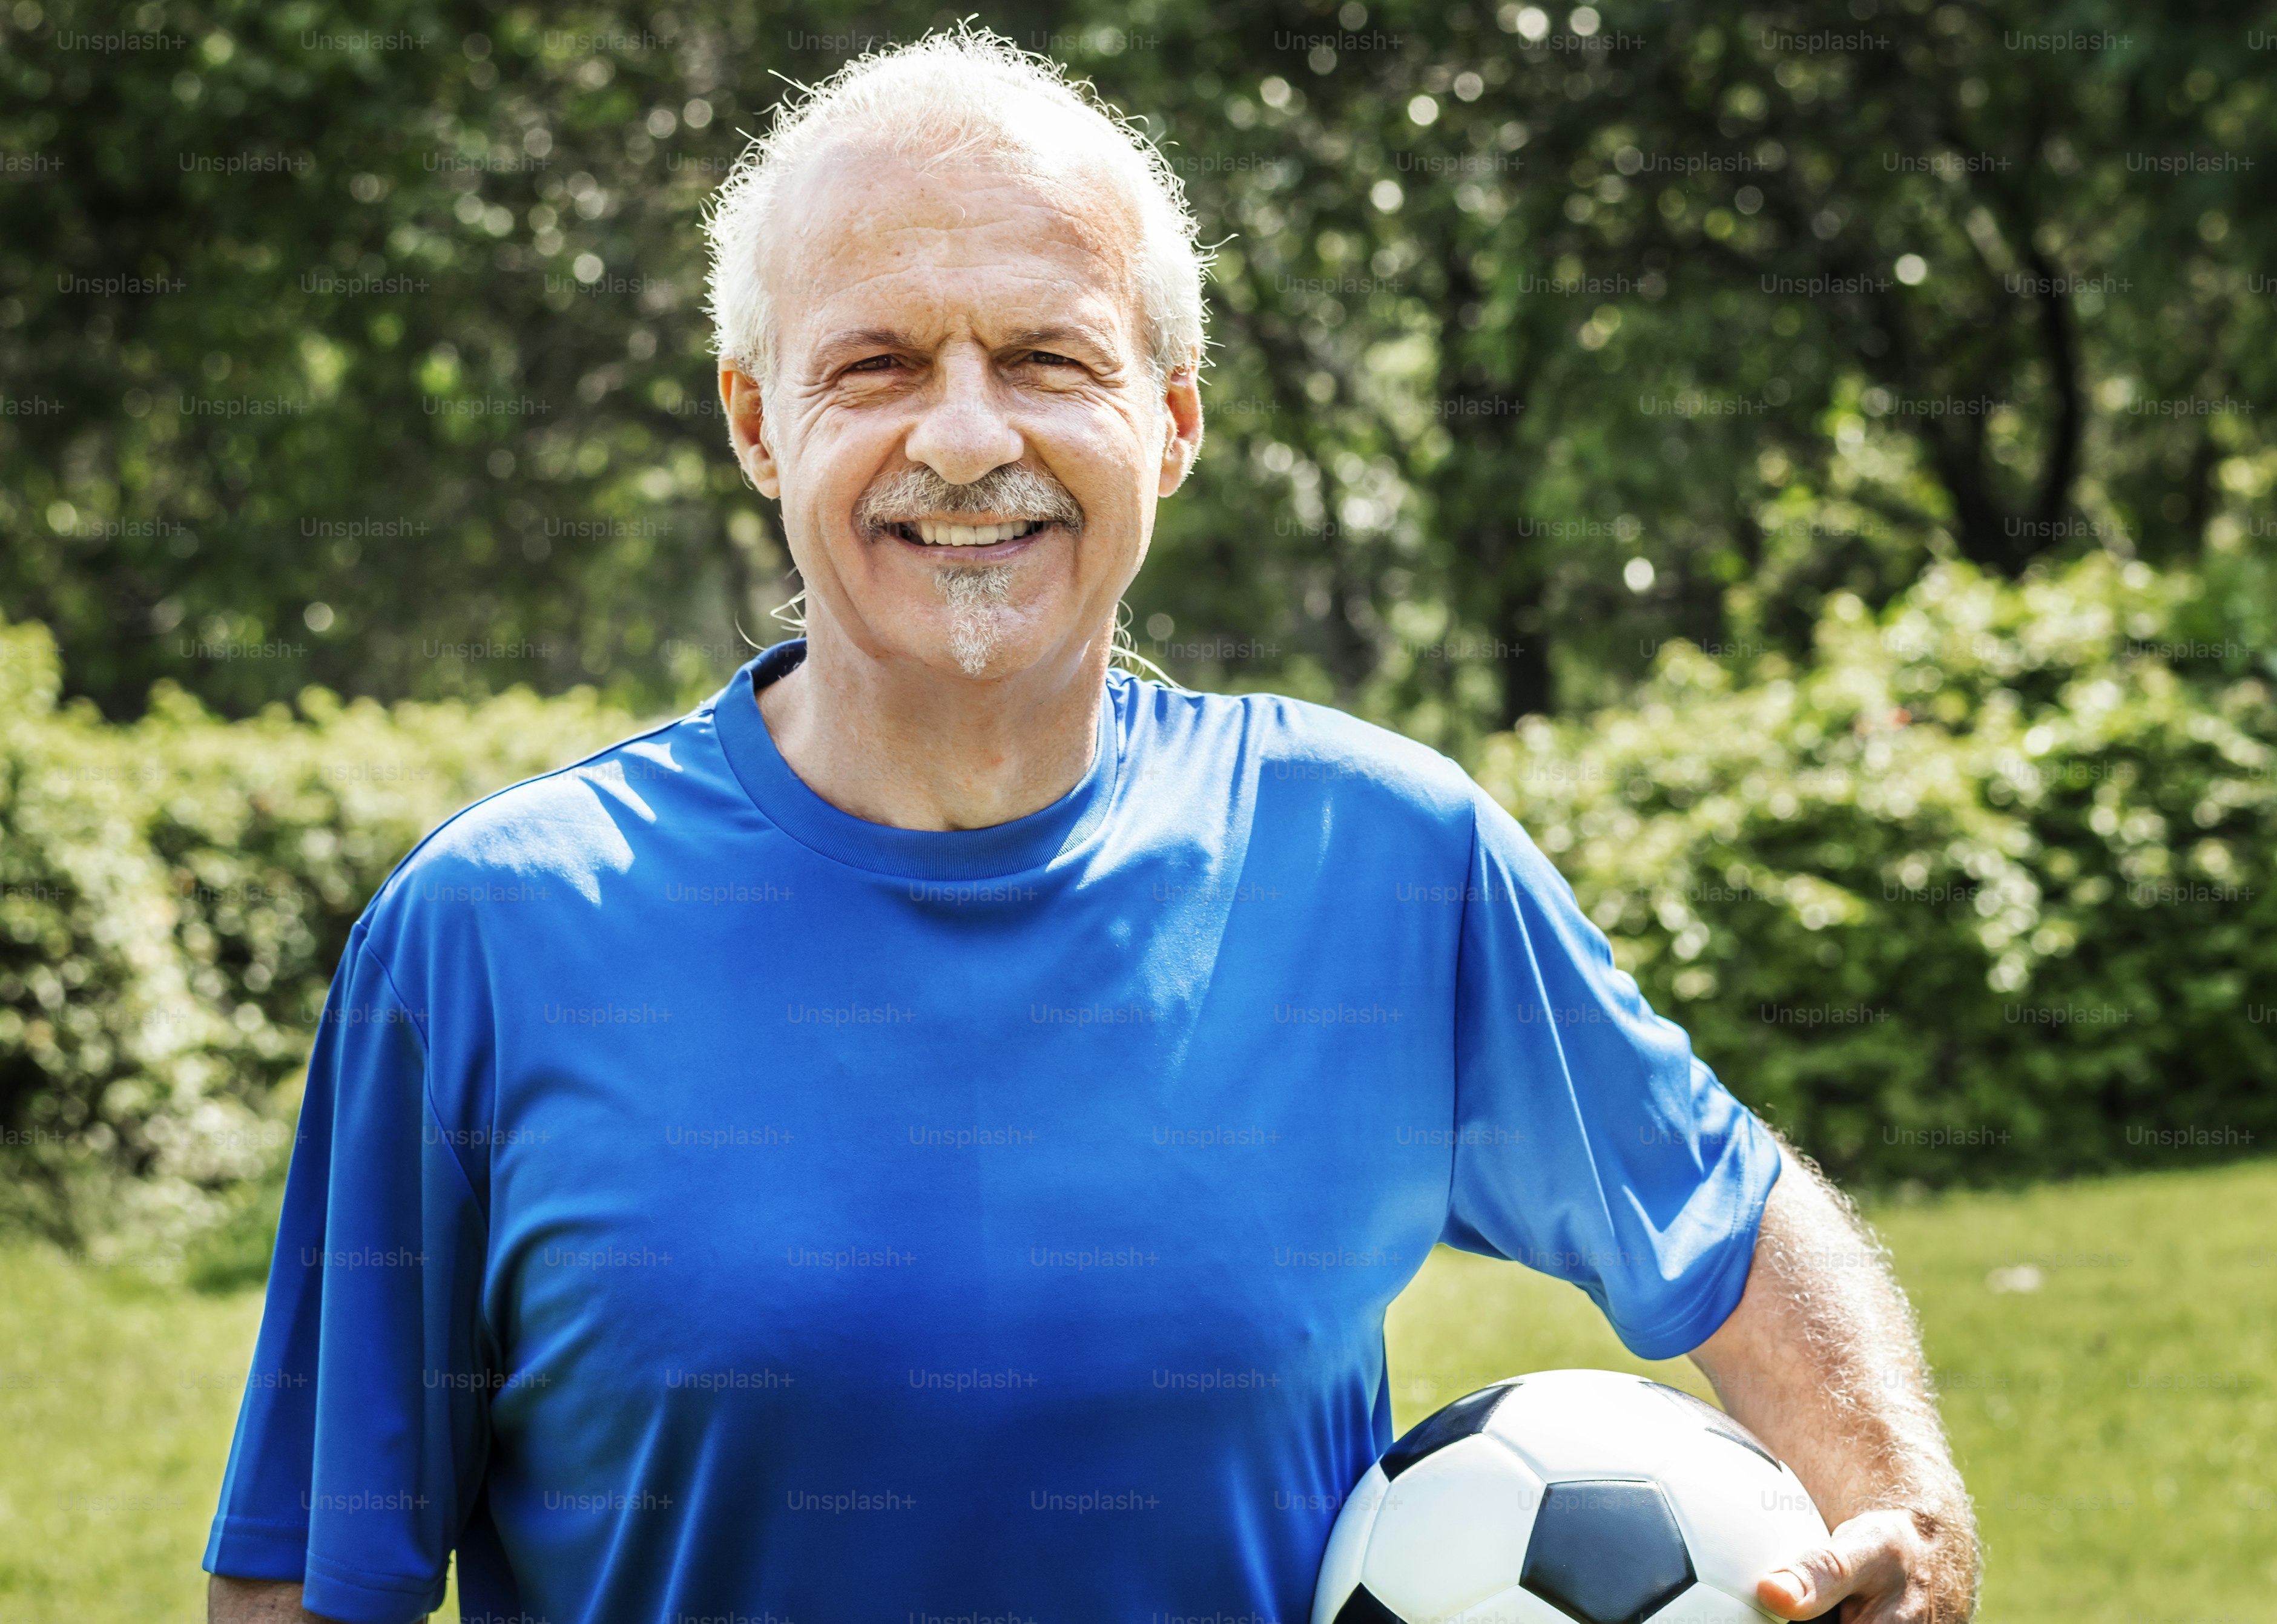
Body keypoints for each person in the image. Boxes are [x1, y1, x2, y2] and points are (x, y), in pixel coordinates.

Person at [207, 30, 1977, 1624]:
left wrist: (1902, 1509)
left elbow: (1722, 1213)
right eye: (878, 364)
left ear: (1172, 420)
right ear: (759, 422)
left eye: (1047, 358)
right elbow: (307, 1572)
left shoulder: (1381, 858)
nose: (965, 437)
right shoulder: (496, 933)